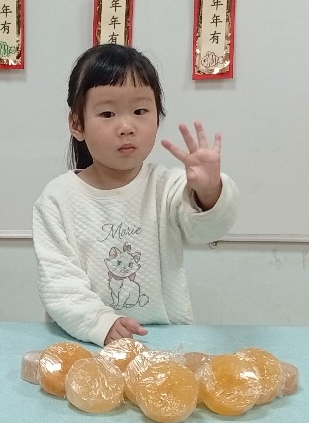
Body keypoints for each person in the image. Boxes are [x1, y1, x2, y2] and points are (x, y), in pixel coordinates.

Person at [33, 44, 240, 345]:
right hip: (87, 340)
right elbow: (59, 281)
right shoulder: (57, 198)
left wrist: (209, 191)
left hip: (164, 341)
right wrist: (100, 323)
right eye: (107, 113)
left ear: (158, 117)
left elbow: (207, 229)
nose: (126, 127)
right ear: (77, 123)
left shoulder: (167, 186)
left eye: (140, 111)